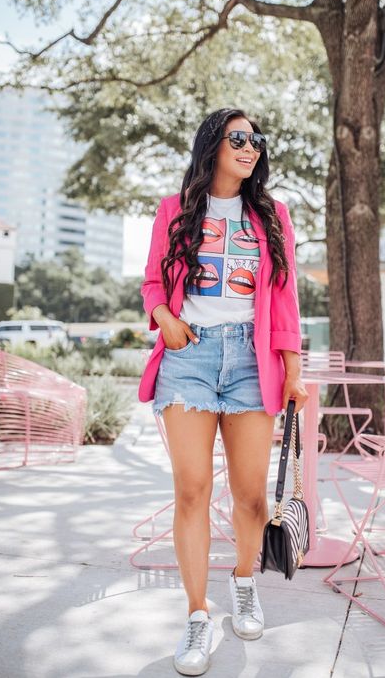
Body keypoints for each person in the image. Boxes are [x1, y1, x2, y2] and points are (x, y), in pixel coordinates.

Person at [138, 107, 308, 676]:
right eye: (239, 137)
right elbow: (154, 282)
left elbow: (284, 300)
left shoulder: (273, 214)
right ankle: (196, 614)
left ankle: (242, 581)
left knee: (252, 497)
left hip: (250, 360)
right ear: (212, 143)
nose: (251, 146)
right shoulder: (175, 209)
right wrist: (163, 316)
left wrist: (294, 370)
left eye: (257, 139)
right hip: (188, 356)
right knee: (190, 491)